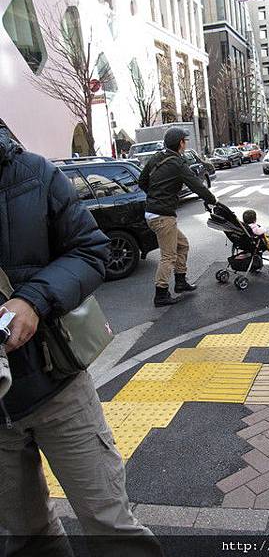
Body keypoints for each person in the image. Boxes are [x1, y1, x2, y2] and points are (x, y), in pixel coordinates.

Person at [0, 124, 162, 556]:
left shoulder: (32, 175)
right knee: (26, 539)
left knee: (111, 526)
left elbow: (91, 250)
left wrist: (32, 300)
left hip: (57, 386)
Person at [139, 127, 217, 307]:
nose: (186, 143)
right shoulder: (177, 163)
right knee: (168, 256)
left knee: (182, 245)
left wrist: (155, 195)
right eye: (185, 140)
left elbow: (142, 181)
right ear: (181, 143)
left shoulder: (156, 158)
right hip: (163, 216)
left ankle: (180, 282)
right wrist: (213, 200)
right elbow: (197, 185)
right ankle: (161, 294)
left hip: (152, 212)